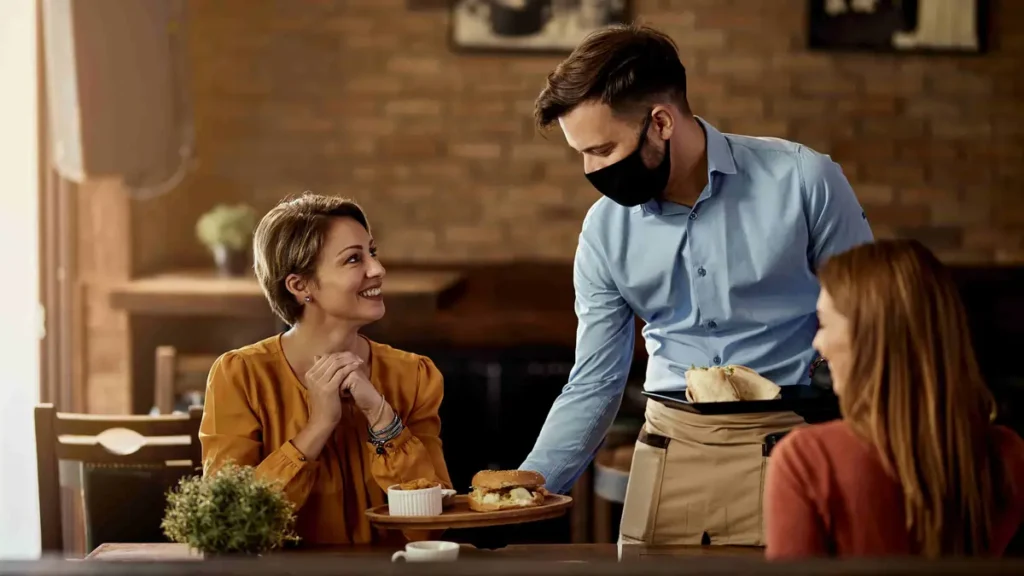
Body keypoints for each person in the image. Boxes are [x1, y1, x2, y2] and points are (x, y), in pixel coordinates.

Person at [518, 24, 874, 546]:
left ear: (661, 122)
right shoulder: (603, 231)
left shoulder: (805, 181)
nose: (591, 170)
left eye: (603, 149)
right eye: (582, 154)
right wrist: (523, 493)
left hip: (796, 448)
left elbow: (875, 330)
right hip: (667, 453)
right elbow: (594, 381)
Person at [199, 193, 452, 546]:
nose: (377, 269)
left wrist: (382, 418)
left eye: (372, 252)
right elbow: (229, 527)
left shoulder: (414, 376)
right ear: (299, 285)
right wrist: (317, 427)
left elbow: (430, 529)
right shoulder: (241, 375)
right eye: (354, 259)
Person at [764, 239, 1024, 558]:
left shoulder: (806, 461)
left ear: (870, 339)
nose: (818, 342)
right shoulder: (1009, 457)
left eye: (825, 324)